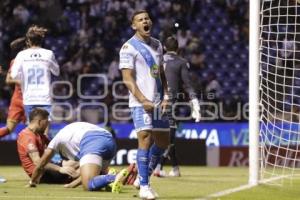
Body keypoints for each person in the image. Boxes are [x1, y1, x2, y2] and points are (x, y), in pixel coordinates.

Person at [119, 10, 170, 199]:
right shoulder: (128, 48)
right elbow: (126, 78)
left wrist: (166, 96)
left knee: (163, 142)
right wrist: (143, 100)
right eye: (140, 20)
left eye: (147, 18)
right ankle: (145, 187)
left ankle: (142, 177)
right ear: (134, 26)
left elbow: (161, 74)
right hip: (140, 102)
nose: (145, 21)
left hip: (158, 102)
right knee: (145, 139)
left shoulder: (157, 44)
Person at [28, 121, 128, 193]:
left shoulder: (54, 142)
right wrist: (72, 185)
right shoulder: (70, 136)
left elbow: (41, 164)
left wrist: (33, 181)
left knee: (88, 185)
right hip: (110, 141)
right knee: (92, 181)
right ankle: (110, 180)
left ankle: (113, 177)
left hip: (92, 139)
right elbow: (84, 176)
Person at [153, 36, 201, 177]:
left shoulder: (157, 60)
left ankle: (165, 167)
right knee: (168, 135)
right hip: (171, 102)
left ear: (165, 48)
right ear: (178, 48)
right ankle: (165, 167)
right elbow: (187, 83)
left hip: (155, 100)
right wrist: (194, 100)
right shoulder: (181, 62)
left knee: (162, 134)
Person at [10, 25, 60, 128]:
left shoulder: (21, 55)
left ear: (28, 41)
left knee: (32, 130)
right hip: (44, 97)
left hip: (29, 97)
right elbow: (56, 72)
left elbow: (14, 75)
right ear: (41, 40)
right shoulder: (48, 54)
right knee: (44, 130)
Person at [17, 108, 78, 183]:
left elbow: (55, 146)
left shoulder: (39, 134)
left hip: (48, 168)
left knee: (78, 161)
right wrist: (60, 169)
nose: (47, 125)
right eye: (46, 122)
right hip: (41, 175)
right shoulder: (28, 137)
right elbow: (37, 162)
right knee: (80, 167)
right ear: (39, 122)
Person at [0, 37, 27, 138]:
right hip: (29, 99)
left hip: (17, 99)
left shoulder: (14, 61)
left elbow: (8, 80)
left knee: (8, 129)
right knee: (33, 131)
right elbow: (8, 80)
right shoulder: (33, 62)